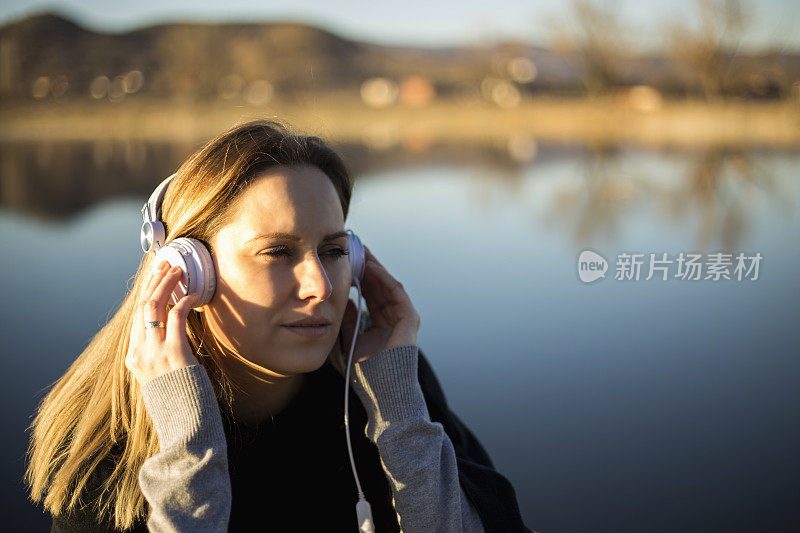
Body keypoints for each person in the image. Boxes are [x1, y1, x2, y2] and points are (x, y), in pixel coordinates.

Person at [26, 120, 531, 532]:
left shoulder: (389, 382)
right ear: (189, 275)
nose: (321, 286)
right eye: (277, 252)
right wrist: (187, 446)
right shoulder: (110, 451)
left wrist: (398, 412)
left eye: (333, 251)